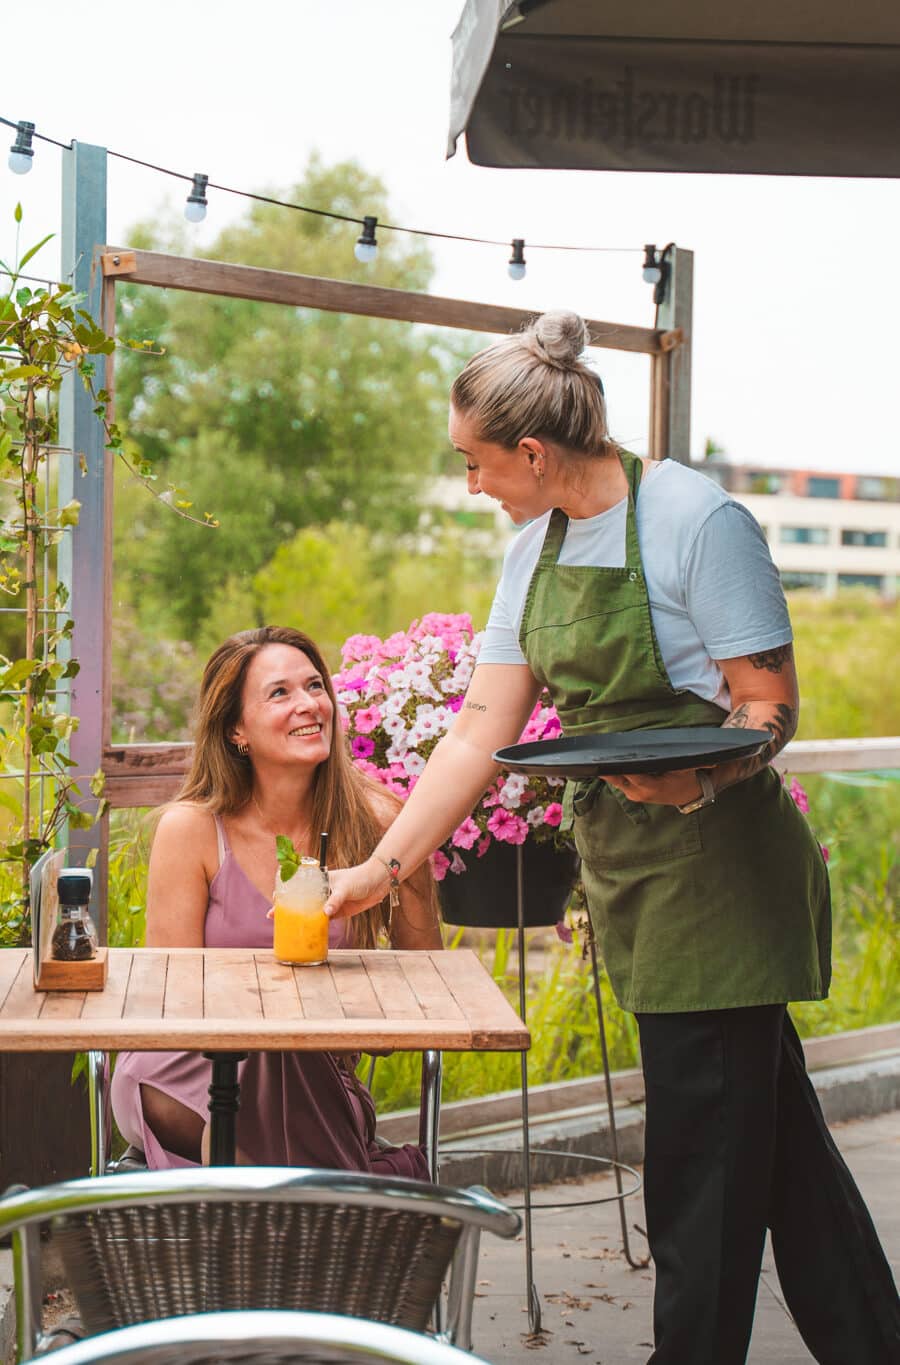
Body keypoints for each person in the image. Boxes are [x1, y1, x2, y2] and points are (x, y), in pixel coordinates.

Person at [326, 312, 900, 1365]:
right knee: (782, 1168)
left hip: (722, 872)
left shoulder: (695, 520)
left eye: (475, 461)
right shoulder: (531, 553)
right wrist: (378, 867)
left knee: (700, 1180)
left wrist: (698, 770)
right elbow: (478, 729)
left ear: (534, 452)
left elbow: (769, 705)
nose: (472, 484)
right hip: (635, 874)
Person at [111, 625, 440, 1177]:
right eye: (279, 693)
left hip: (314, 1078)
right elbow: (167, 998)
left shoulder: (378, 824)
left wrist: (404, 868)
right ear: (236, 729)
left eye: (315, 686)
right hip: (188, 1070)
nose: (309, 704)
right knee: (261, 1069)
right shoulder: (191, 830)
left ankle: (259, 1209)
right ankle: (328, 1205)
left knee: (283, 1071)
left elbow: (423, 986)